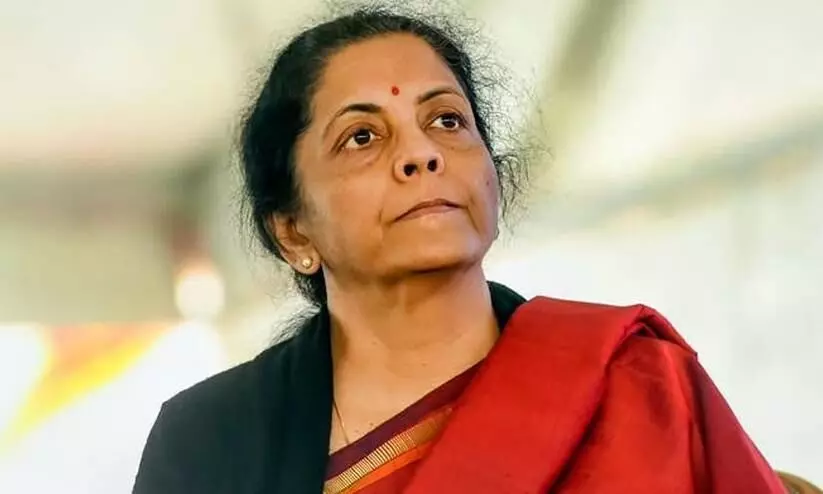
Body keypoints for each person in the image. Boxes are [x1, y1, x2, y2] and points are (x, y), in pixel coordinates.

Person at [133, 7, 788, 493]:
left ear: (493, 177)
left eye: (446, 121)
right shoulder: (212, 442)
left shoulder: (638, 381)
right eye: (362, 137)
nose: (420, 153)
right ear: (293, 231)